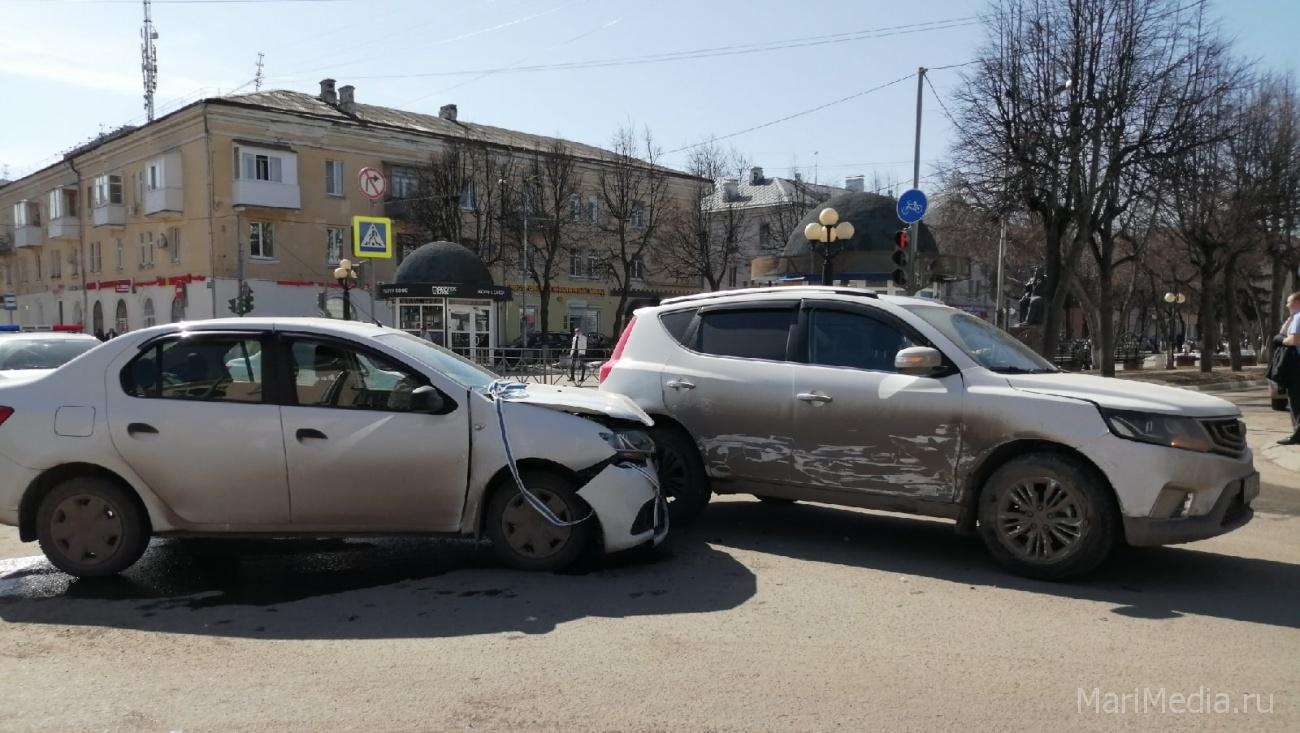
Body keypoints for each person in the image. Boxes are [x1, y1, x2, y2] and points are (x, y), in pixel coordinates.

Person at [1277, 292, 1300, 445]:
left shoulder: (1299, 317)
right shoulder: (1295, 317)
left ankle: (1297, 435)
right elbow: (1283, 331)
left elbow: (1294, 339)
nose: (1286, 305)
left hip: (1297, 364)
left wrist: (1280, 341)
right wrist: (1289, 319)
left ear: (1297, 302)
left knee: (1296, 400)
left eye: (1289, 302)